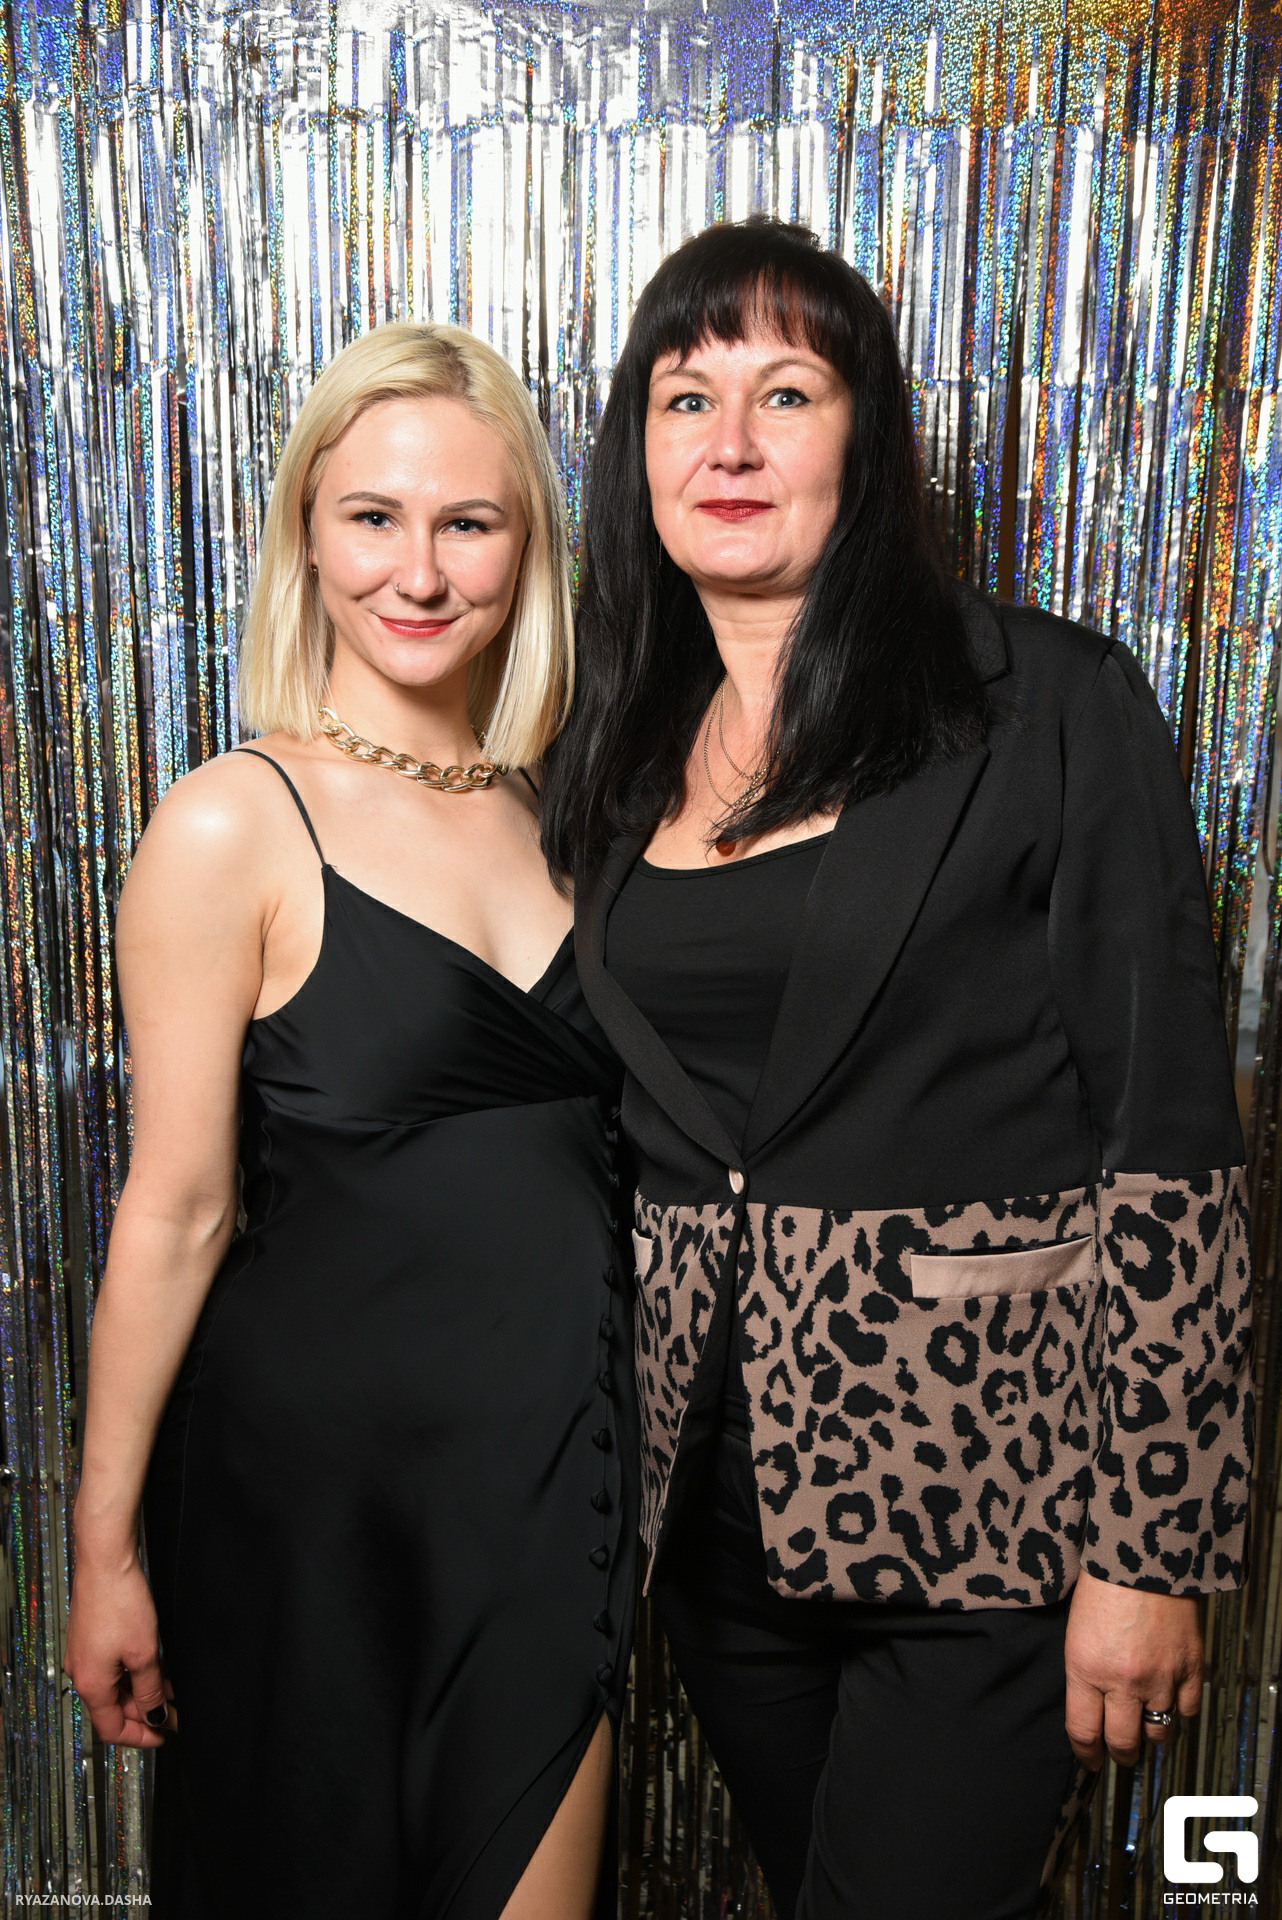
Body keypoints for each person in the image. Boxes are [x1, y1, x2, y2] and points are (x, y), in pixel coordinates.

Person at [540, 221, 1253, 1919]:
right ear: (635, 450)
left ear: (863, 440)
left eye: (784, 394)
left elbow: (1167, 1137)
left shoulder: (1044, 703)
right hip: (711, 1524)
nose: (728, 443)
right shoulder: (608, 748)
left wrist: (1150, 1552)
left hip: (987, 1517)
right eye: (684, 398)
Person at [64, 321, 636, 1920]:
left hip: (547, 1493)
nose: (419, 572)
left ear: (527, 548)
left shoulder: (568, 815)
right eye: (373, 517)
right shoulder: (233, 819)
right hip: (308, 1511)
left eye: (470, 522)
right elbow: (177, 1210)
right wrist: (104, 1549)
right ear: (306, 534)